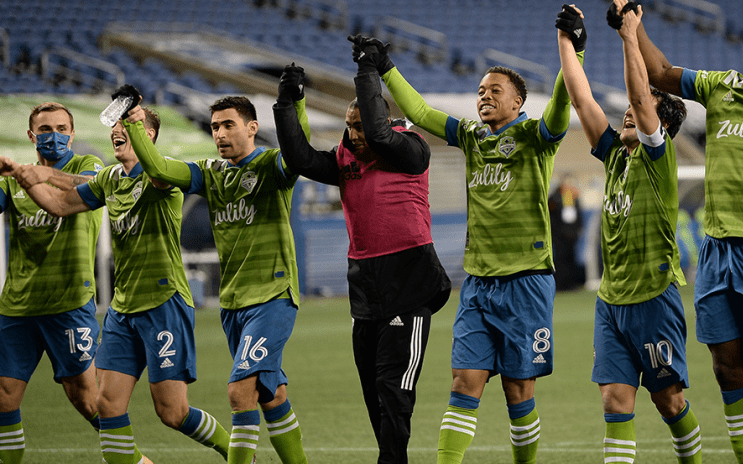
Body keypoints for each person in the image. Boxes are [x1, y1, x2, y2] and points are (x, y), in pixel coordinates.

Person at [349, 17, 584, 463]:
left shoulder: (537, 137)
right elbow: (418, 113)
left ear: (518, 102)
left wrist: (573, 48)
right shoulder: (471, 137)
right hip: (478, 284)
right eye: (480, 91)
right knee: (463, 382)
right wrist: (386, 67)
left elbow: (561, 101)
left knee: (519, 392)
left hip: (527, 282)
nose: (484, 96)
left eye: (495, 90)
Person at [624, 0, 743, 461]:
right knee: (727, 369)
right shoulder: (720, 87)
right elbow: (661, 72)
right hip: (717, 252)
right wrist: (634, 27)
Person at [11, 99, 231, 464]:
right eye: (116, 128)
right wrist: (30, 176)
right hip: (123, 310)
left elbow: (155, 169)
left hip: (164, 304)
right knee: (107, 406)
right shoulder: (111, 180)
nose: (119, 130)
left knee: (172, 413)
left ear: (149, 136)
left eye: (129, 127)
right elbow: (62, 204)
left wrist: (134, 123)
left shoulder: (166, 175)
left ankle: (235, 451)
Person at [273, 52, 452, 464]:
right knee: (373, 388)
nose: (355, 135)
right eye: (349, 127)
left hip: (409, 281)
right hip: (365, 287)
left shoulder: (410, 150)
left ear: (381, 120)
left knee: (394, 386)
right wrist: (289, 100)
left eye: (360, 125)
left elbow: (380, 132)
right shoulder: (344, 160)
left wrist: (367, 71)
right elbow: (299, 157)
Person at [123, 95, 310, 464]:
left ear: (252, 128)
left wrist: (294, 105)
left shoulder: (273, 165)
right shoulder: (210, 172)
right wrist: (133, 122)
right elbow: (159, 170)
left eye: (228, 125)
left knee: (240, 393)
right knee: (273, 395)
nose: (220, 134)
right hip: (233, 303)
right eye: (214, 127)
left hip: (272, 297)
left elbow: (300, 153)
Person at [558, 4, 701, 462]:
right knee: (615, 403)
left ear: (660, 126)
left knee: (669, 402)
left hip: (654, 299)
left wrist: (629, 33)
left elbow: (642, 100)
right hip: (612, 303)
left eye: (640, 116)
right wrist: (567, 43)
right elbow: (582, 102)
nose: (626, 116)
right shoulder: (615, 156)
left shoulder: (659, 163)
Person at [0, 102, 104, 464]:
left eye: (62, 129)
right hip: (18, 306)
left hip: (68, 304)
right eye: (45, 130)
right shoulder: (11, 182)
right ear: (32, 136)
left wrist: (39, 177)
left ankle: (134, 459)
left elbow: (86, 191)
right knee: (3, 397)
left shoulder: (87, 166)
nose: (54, 136)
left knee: (86, 399)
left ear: (72, 134)